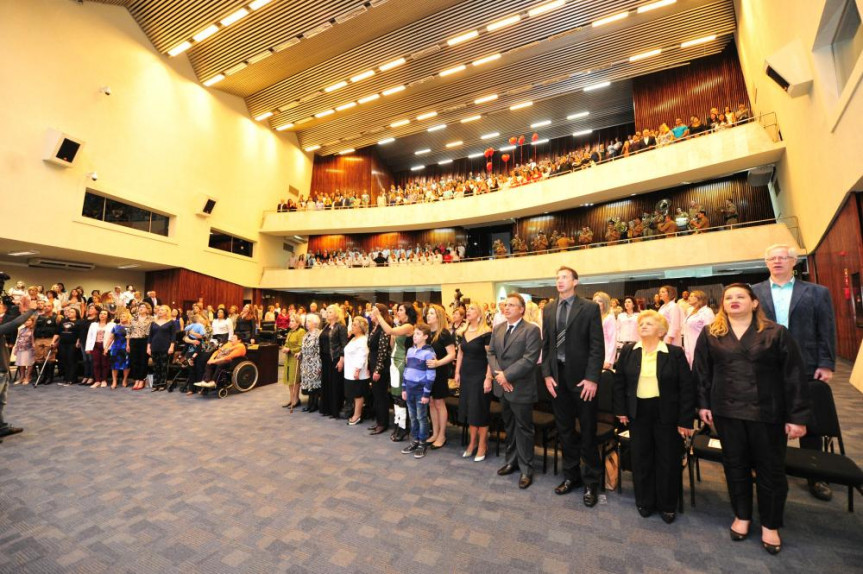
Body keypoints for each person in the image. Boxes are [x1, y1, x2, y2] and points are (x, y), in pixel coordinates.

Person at [694, 283, 809, 555]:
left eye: (740, 297)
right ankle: (742, 515)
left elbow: (793, 376)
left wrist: (797, 416)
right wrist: (702, 405)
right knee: (735, 466)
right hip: (726, 411)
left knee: (771, 470)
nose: (734, 301)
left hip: (767, 413)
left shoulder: (776, 333)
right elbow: (701, 372)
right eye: (728, 297)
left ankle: (770, 524)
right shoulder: (712, 333)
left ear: (754, 302)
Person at [751, 243, 837, 502]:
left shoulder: (816, 292)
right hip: (764, 366)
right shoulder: (754, 292)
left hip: (806, 363)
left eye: (783, 258)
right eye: (772, 258)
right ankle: (765, 467)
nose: (777, 262)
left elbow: (826, 329)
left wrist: (826, 363)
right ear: (766, 263)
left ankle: (815, 474)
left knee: (807, 420)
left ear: (793, 262)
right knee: (765, 418)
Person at [613, 311, 695, 523]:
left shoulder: (674, 353)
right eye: (641, 323)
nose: (643, 326)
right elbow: (619, 382)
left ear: (661, 331)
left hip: (667, 412)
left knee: (668, 459)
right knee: (641, 457)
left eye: (649, 323)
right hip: (638, 412)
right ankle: (645, 500)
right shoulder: (630, 350)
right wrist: (621, 409)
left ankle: (667, 504)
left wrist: (686, 420)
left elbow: (687, 388)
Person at [541, 267, 605, 505]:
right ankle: (571, 476)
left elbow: (597, 346)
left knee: (587, 431)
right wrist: (546, 375)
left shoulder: (588, 308)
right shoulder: (548, 309)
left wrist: (592, 378)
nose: (559, 280)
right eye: (557, 277)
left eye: (564, 277)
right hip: (557, 377)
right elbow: (546, 345)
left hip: (583, 379)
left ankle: (591, 482)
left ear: (575, 282)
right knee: (565, 430)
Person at [489, 293, 542, 490]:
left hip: (520, 387)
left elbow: (529, 359)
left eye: (512, 305)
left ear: (521, 309)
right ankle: (511, 461)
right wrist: (499, 376)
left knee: (524, 429)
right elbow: (491, 353)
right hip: (503, 387)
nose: (507, 308)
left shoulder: (531, 330)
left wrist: (507, 376)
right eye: (505, 305)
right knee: (509, 427)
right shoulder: (498, 328)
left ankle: (526, 469)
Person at [372, 302, 418, 442]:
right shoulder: (399, 326)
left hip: (401, 363)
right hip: (394, 361)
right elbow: (392, 343)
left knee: (400, 397)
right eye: (397, 309)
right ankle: (399, 424)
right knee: (395, 396)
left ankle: (403, 427)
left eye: (401, 310)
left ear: (408, 312)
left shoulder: (409, 326)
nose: (398, 312)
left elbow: (389, 331)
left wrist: (379, 316)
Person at [455, 302, 493, 462]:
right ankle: (472, 443)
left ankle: (483, 444)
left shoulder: (486, 332)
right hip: (466, 375)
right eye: (468, 309)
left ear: (479, 314)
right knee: (470, 410)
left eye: (471, 309)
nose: (468, 311)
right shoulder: (463, 331)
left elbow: (491, 358)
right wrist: (457, 372)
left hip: (480, 375)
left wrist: (488, 377)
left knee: (480, 410)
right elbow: (461, 354)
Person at [0, 296, 38, 440]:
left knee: (1, 401)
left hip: (2, 369)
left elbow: (8, 321)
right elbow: (12, 325)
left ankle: (1, 427)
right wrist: (31, 311)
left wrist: (16, 309)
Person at [400, 324, 437, 459]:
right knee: (413, 417)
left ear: (426, 337)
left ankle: (422, 442)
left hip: (421, 391)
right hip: (409, 389)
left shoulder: (429, 353)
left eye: (418, 334)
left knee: (421, 418)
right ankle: (414, 440)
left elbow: (431, 375)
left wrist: (426, 394)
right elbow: (406, 371)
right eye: (414, 334)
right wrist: (404, 388)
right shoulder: (410, 351)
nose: (415, 336)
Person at [424, 304, 456, 450]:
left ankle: (442, 435)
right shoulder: (427, 333)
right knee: (430, 402)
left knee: (439, 403)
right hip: (427, 373)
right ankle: (435, 432)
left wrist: (438, 363)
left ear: (438, 316)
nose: (428, 315)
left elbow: (452, 354)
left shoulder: (443, 333)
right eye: (428, 313)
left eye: (431, 313)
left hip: (439, 372)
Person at [367, 303, 392, 435]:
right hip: (373, 363)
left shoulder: (383, 327)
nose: (370, 314)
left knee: (381, 396)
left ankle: (383, 423)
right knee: (376, 396)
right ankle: (379, 421)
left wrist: (377, 370)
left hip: (380, 366)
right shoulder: (374, 327)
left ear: (380, 313)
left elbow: (383, 351)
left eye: (373, 312)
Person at [343, 316, 370, 425]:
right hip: (349, 371)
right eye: (352, 324)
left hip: (357, 372)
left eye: (354, 325)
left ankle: (357, 415)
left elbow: (362, 355)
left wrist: (357, 370)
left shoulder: (363, 339)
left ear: (361, 328)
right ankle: (355, 412)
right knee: (354, 394)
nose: (352, 326)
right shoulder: (354, 338)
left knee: (358, 394)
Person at [325, 304, 348, 419]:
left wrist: (341, 360)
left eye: (330, 311)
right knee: (329, 384)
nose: (328, 313)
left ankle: (336, 410)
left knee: (336, 385)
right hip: (326, 359)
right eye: (327, 311)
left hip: (336, 358)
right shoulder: (326, 326)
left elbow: (344, 345)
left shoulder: (341, 327)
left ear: (336, 314)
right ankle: (328, 408)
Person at [147, 305, 177, 391]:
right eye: (159, 310)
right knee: (156, 366)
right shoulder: (153, 322)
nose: (160, 311)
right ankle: (155, 384)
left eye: (162, 310)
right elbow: (150, 336)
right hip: (154, 346)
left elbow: (173, 336)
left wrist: (171, 347)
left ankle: (163, 384)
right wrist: (148, 347)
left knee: (164, 366)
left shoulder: (171, 322)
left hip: (166, 346)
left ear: (167, 312)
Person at [683, 290, 715, 367]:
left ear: (699, 298)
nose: (689, 297)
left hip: (701, 345)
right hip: (689, 344)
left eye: (691, 296)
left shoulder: (707, 311)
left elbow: (710, 331)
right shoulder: (690, 310)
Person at [281, 314, 305, 411]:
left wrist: (290, 350)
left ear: (298, 323)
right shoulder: (290, 332)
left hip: (296, 357)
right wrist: (284, 348)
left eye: (292, 321)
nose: (290, 322)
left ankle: (296, 399)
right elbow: (286, 343)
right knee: (289, 379)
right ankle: (291, 399)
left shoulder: (301, 332)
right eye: (290, 321)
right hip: (288, 358)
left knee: (295, 380)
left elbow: (301, 346)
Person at [52, 307, 82, 386]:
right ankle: (66, 378)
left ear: (76, 313)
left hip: (72, 343)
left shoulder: (79, 322)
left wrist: (78, 341)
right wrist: (53, 341)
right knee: (64, 360)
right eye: (68, 312)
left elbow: (80, 333)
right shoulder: (63, 321)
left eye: (72, 312)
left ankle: (72, 379)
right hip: (62, 343)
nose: (69, 313)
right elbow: (57, 332)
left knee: (72, 360)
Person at [299, 314, 323, 412]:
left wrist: (319, 365)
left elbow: (319, 350)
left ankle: (315, 404)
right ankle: (310, 403)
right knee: (308, 384)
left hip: (314, 362)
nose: (306, 323)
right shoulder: (306, 334)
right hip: (305, 363)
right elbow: (304, 348)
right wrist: (299, 353)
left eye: (309, 321)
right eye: (306, 321)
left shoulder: (318, 334)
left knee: (314, 384)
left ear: (315, 322)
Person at [86, 310, 115, 388]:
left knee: (105, 363)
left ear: (107, 316)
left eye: (104, 314)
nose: (102, 315)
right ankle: (97, 380)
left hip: (106, 346)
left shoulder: (112, 325)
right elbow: (89, 336)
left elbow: (113, 337)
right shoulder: (93, 324)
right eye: (101, 313)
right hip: (95, 345)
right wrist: (88, 347)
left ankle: (104, 380)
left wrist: (109, 347)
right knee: (96, 363)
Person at [104, 311, 131, 389]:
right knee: (114, 365)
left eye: (124, 316)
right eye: (121, 316)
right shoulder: (116, 327)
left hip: (126, 348)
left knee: (126, 364)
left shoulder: (131, 327)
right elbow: (110, 338)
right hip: (115, 347)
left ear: (128, 318)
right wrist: (106, 347)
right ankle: (114, 381)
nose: (122, 318)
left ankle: (125, 380)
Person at [129, 303, 153, 390]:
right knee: (134, 361)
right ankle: (136, 380)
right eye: (140, 307)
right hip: (133, 340)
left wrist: (149, 345)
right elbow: (129, 331)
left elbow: (151, 333)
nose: (141, 308)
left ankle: (142, 379)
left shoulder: (151, 319)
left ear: (148, 309)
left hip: (145, 341)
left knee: (143, 361)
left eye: (143, 307)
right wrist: (128, 344)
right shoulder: (133, 318)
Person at [593, 291, 617, 370]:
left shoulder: (609, 318)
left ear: (605, 303)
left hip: (605, 353)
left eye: (600, 301)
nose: (597, 303)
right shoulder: (591, 317)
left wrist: (608, 360)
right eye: (595, 301)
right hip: (592, 353)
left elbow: (612, 340)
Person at [12, 316, 36, 385]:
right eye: (25, 321)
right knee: (21, 363)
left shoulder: (33, 330)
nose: (26, 322)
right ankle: (21, 377)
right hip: (20, 348)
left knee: (29, 363)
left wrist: (34, 348)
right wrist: (16, 348)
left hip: (29, 348)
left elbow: (33, 340)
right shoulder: (21, 329)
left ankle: (28, 377)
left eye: (28, 320)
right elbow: (18, 339)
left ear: (32, 321)